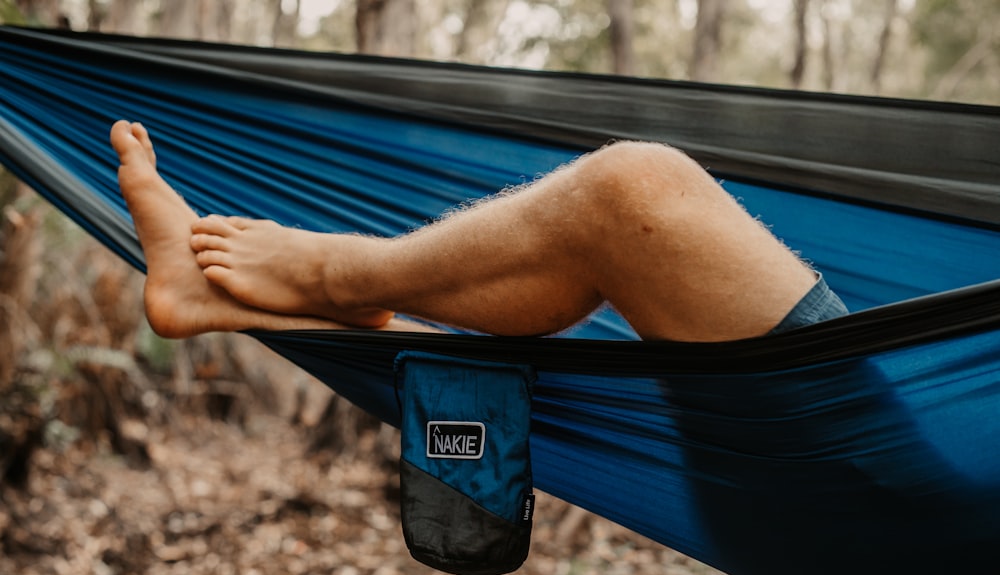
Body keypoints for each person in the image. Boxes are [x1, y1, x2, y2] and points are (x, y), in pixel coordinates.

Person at [109, 120, 847, 342]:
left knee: (630, 194)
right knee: (619, 217)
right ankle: (213, 297)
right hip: (880, 479)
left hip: (893, 488)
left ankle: (332, 275)